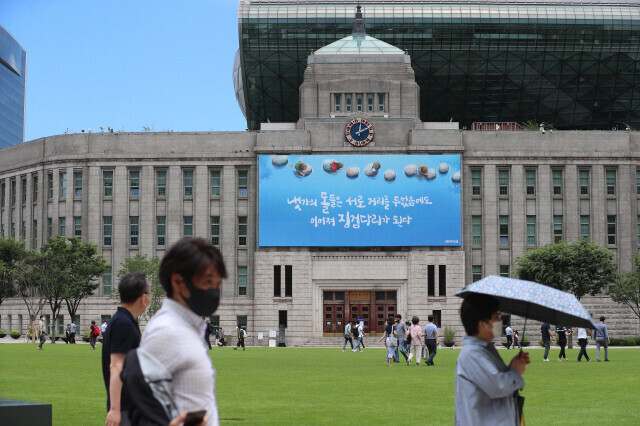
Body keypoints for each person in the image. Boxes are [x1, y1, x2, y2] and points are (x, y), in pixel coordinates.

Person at [140, 237, 227, 426]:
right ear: (179, 282)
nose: (215, 290)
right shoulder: (166, 332)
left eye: (218, 283)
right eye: (209, 281)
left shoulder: (189, 329)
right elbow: (140, 409)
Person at [455, 294, 530, 426]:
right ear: (483, 323)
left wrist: (511, 367)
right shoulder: (472, 354)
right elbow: (498, 386)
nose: (498, 322)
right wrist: (515, 372)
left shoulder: (484, 349)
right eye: (496, 317)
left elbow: (491, 379)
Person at [102, 272, 150, 426]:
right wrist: (115, 409)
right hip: (125, 409)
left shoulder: (123, 320)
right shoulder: (123, 323)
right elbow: (116, 366)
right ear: (143, 297)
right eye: (149, 293)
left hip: (132, 408)